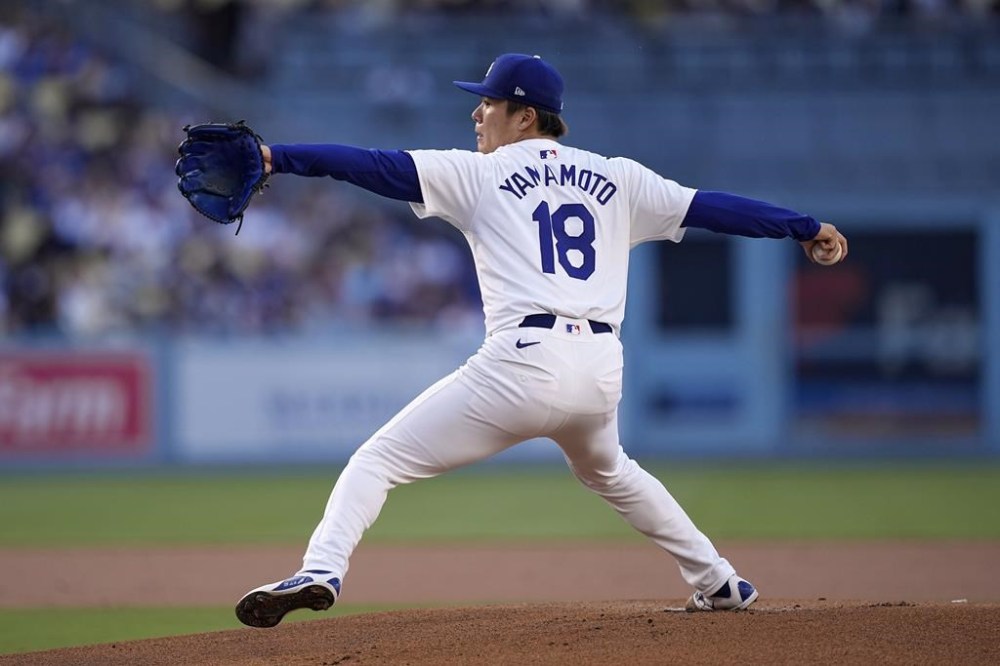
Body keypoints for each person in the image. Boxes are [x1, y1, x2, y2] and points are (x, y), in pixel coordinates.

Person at [233, 53, 848, 628]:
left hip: (521, 364)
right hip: (601, 366)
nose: (477, 112)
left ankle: (321, 570)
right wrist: (802, 226)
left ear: (525, 116)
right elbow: (715, 208)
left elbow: (373, 165)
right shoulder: (619, 177)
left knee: (378, 461)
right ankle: (719, 582)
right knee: (611, 470)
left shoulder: (479, 174)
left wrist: (276, 157)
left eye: (490, 103)